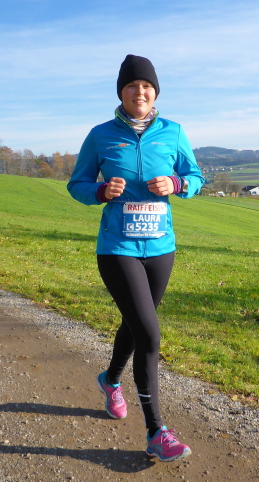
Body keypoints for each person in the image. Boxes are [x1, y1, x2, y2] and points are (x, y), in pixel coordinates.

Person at [67, 54, 204, 462]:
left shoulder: (173, 132)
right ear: (121, 93)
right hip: (117, 249)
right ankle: (156, 431)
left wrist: (177, 183)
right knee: (149, 333)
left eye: (146, 86)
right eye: (131, 86)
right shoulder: (100, 135)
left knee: (136, 323)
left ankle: (111, 380)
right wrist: (99, 191)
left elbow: (196, 177)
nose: (139, 92)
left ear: (155, 93)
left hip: (161, 248)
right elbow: (76, 183)